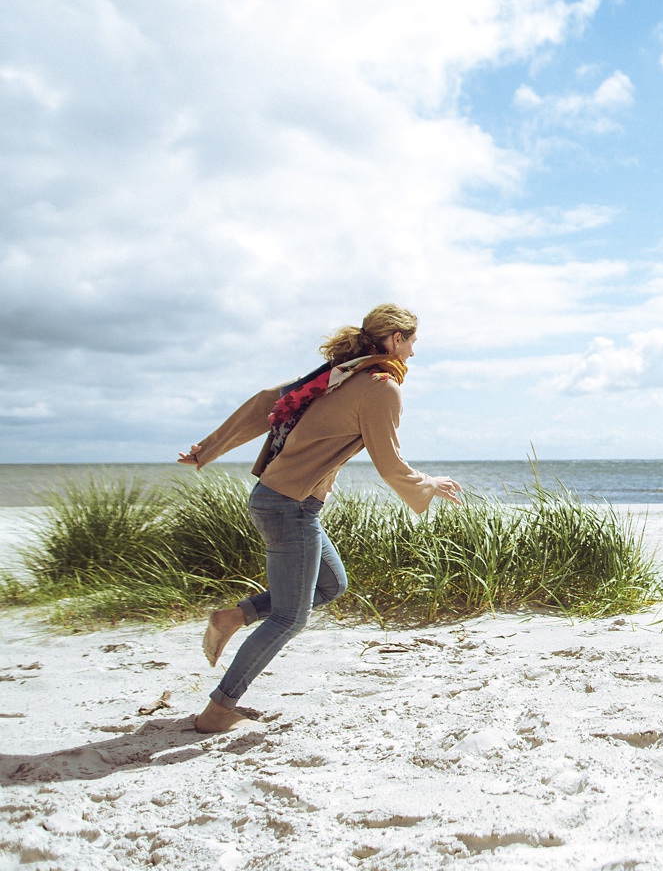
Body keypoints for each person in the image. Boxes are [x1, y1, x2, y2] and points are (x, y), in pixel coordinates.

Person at [178, 304, 462, 733]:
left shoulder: (337, 373)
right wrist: (428, 484)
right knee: (289, 617)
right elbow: (388, 462)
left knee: (331, 585)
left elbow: (262, 404)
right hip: (291, 506)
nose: (413, 354)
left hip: (278, 498)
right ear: (395, 340)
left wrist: (207, 450)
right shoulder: (379, 386)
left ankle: (233, 617)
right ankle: (218, 711)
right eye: (411, 343)